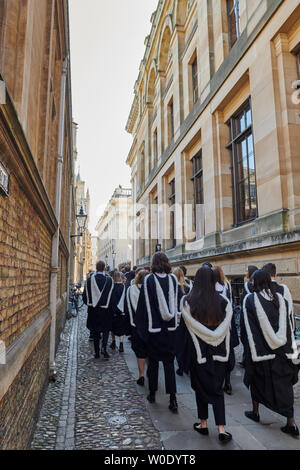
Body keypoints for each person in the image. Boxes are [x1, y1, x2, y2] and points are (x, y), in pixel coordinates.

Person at [177, 266, 233, 443]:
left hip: (198, 352)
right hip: (219, 353)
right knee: (217, 390)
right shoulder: (224, 302)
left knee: (200, 388)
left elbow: (183, 331)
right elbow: (228, 330)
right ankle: (222, 429)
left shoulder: (188, 301)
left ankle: (203, 423)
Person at [241, 269, 299, 436]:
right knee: (284, 386)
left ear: (256, 282)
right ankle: (291, 423)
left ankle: (255, 412)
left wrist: (251, 349)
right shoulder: (280, 299)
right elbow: (288, 326)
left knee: (256, 382)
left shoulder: (250, 299)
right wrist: (290, 349)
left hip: (261, 352)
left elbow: (249, 328)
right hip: (282, 352)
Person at [135, 252, 180, 412]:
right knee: (169, 366)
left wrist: (143, 332)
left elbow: (142, 308)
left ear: (154, 263)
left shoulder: (149, 280)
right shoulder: (173, 280)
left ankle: (152, 393)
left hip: (154, 331)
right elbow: (177, 305)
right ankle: (173, 399)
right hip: (170, 331)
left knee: (153, 364)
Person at [213, 266, 239, 395]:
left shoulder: (212, 287)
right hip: (227, 325)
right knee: (228, 353)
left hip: (217, 325)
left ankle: (220, 381)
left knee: (219, 354)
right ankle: (227, 382)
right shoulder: (227, 285)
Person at [82, 261, 114, 359]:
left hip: (93, 310)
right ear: (104, 268)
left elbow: (84, 295)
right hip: (106, 310)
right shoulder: (109, 280)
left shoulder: (89, 280)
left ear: (96, 268)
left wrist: (89, 304)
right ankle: (103, 348)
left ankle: (96, 352)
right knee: (105, 330)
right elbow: (112, 297)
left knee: (95, 331)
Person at [125, 269, 149, 385]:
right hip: (149, 325)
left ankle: (141, 375)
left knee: (140, 352)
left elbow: (126, 307)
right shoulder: (151, 289)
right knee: (149, 350)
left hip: (135, 325)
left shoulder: (131, 289)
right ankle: (150, 372)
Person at [262, 263, 295, 331]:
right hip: (284, 328)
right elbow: (290, 309)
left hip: (269, 331)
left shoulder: (261, 291)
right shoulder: (284, 289)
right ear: (276, 274)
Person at [239, 265, 258, 367]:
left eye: (247, 271)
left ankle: (247, 361)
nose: (245, 273)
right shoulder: (256, 286)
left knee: (246, 339)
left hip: (246, 316)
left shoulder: (248, 286)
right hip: (252, 317)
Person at [173, 267, 191, 376]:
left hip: (177, 319)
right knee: (186, 342)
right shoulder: (189, 286)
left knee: (178, 343)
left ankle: (180, 366)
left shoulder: (173, 287)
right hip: (187, 318)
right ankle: (186, 366)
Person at [109, 271, 128, 353]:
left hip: (113, 311)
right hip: (122, 310)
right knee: (121, 328)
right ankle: (121, 344)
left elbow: (110, 299)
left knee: (112, 327)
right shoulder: (124, 287)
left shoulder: (112, 287)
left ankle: (113, 342)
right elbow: (125, 300)